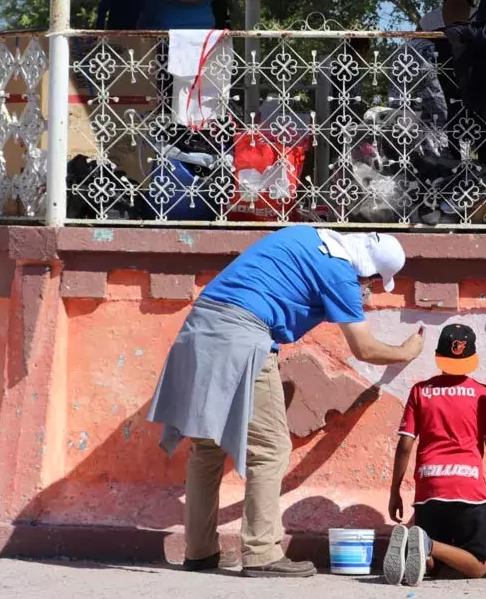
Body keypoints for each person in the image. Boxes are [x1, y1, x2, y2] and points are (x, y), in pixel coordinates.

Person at [148, 226, 422, 577]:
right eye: (371, 281)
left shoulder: (307, 235)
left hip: (201, 326)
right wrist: (405, 352)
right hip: (243, 335)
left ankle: (200, 552)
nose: (368, 287)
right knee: (271, 447)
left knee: (208, 445)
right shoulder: (341, 276)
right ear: (366, 271)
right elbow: (364, 348)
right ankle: (262, 553)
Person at [385, 323, 486, 586]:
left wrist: (395, 490)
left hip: (429, 487)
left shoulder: (420, 391)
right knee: (478, 566)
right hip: (468, 489)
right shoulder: (482, 393)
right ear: (471, 358)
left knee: (434, 568)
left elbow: (405, 445)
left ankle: (418, 546)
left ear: (439, 356)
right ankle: (428, 544)